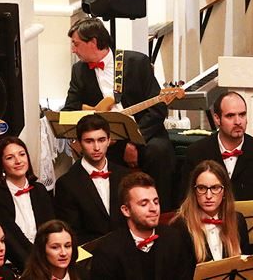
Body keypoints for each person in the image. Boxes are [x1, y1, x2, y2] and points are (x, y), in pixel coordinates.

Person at [61, 17, 175, 206]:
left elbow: (157, 108)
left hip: (143, 132)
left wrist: (134, 142)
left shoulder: (137, 62)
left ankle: (162, 213)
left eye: (76, 44)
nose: (73, 50)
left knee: (159, 152)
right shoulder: (79, 70)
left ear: (94, 42)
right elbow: (71, 108)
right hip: (106, 139)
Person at [181, 92, 253, 202]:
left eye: (242, 115)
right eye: (230, 116)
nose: (238, 121)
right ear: (217, 119)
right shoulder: (196, 153)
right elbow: (185, 202)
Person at [90, 173, 190, 280]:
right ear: (126, 210)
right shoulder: (108, 251)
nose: (153, 208)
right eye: (144, 204)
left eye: (156, 202)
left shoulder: (174, 239)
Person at [0, 137, 55, 272]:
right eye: (10, 157)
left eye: (22, 154)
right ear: (1, 164)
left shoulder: (40, 190)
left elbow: (50, 229)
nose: (18, 161)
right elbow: (10, 240)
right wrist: (34, 268)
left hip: (46, 261)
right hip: (12, 266)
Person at [54, 114, 131, 244]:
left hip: (126, 250)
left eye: (101, 140)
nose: (96, 147)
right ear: (79, 143)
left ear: (109, 140)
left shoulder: (125, 176)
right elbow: (71, 233)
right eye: (89, 141)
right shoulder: (66, 184)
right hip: (90, 255)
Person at [172, 160, 249, 271]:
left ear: (224, 191)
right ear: (194, 192)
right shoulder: (180, 226)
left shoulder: (238, 220)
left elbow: (245, 268)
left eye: (215, 188)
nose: (208, 196)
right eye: (202, 188)